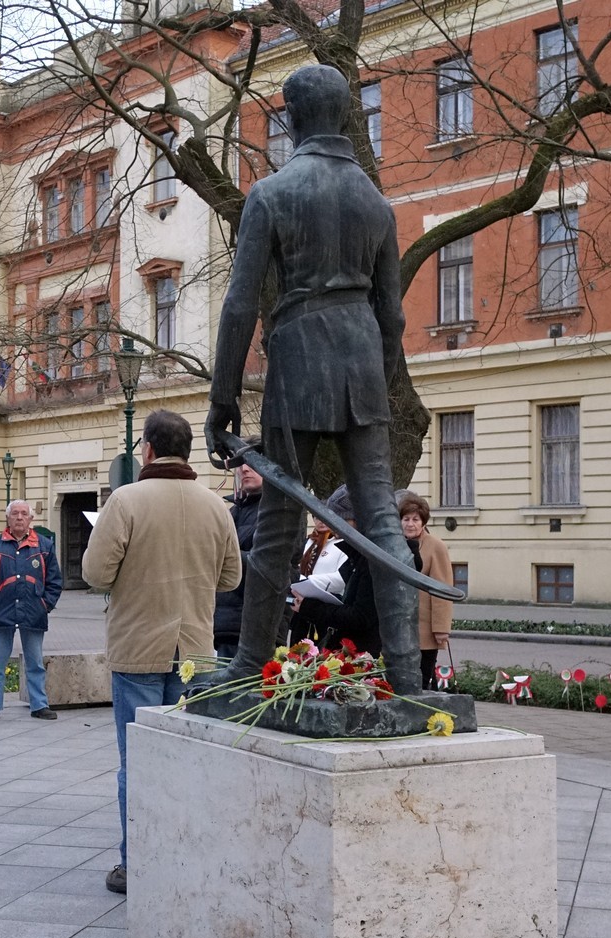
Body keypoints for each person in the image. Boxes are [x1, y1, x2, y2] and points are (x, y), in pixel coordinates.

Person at [204, 64, 420, 697]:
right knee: (382, 521)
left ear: (293, 117)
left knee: (280, 518)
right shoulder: (375, 202)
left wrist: (222, 397)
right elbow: (393, 315)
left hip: (298, 359)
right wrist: (377, 379)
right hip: (363, 362)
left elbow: (240, 304)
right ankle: (407, 673)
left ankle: (251, 662)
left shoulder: (273, 193)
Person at [83, 410, 241, 895]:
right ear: (188, 451)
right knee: (189, 756)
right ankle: (187, 854)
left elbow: (95, 573)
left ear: (148, 449)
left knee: (138, 760)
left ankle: (136, 863)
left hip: (138, 647)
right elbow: (231, 578)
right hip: (195, 648)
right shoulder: (215, 505)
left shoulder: (126, 500)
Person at [0, 500, 62, 722]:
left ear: (31, 518)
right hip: (2, 612)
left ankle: (39, 705)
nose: (19, 517)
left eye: (24, 513)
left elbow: (54, 581)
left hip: (33, 612)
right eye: (15, 513)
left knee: (35, 663)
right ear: (8, 518)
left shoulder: (44, 546)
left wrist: (45, 605)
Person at [293, 486, 383, 655]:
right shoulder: (357, 556)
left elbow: (360, 616)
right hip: (352, 649)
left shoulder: (372, 560)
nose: (334, 527)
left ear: (359, 521)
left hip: (365, 653)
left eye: (340, 521)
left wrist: (311, 607)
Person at [397, 492, 454, 688]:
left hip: (424, 629)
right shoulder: (396, 544)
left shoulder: (435, 546)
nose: (410, 524)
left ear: (423, 522)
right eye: (406, 519)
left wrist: (441, 629)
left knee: (421, 680)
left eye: (415, 519)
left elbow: (442, 589)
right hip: (398, 627)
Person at [212, 460, 262, 658]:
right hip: (225, 623)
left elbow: (266, 564)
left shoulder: (276, 514)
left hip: (252, 624)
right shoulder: (234, 510)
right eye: (240, 464)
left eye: (253, 463)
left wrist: (219, 557)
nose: (244, 469)